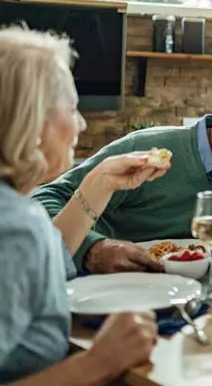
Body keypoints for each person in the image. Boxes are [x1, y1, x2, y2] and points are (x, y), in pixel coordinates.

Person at [0, 27, 159, 383]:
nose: (82, 124)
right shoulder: (13, 226)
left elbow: (44, 264)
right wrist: (99, 361)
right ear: (32, 121)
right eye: (73, 108)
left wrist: (101, 182)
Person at [32, 71, 212, 274]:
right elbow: (43, 200)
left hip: (184, 294)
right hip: (107, 290)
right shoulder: (147, 149)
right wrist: (92, 248)